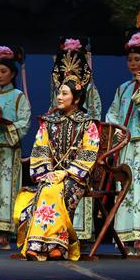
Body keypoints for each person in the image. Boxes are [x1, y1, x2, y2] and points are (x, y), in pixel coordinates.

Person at [14, 52, 100, 261]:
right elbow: (40, 149)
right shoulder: (48, 122)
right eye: (59, 93)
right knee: (47, 188)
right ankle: (43, 246)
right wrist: (47, 173)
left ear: (77, 98)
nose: (59, 97)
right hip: (52, 176)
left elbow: (89, 153)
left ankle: (52, 246)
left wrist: (66, 173)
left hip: (76, 178)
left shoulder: (87, 124)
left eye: (64, 94)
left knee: (55, 192)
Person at [104, 30, 140, 256]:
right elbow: (113, 114)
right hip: (126, 144)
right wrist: (118, 133)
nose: (133, 63)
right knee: (124, 188)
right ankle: (124, 236)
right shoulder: (123, 88)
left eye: (137, 59)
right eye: (130, 60)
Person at [48, 37, 100, 242]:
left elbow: (95, 120)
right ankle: (47, 237)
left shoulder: (88, 99)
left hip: (79, 166)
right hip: (58, 160)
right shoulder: (59, 95)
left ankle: (76, 235)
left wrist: (70, 171)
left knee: (73, 183)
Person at [0, 45, 32, 251]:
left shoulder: (19, 97)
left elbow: (25, 122)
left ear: (13, 73)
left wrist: (8, 125)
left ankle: (5, 233)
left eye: (3, 71)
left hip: (8, 150)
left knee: (7, 190)